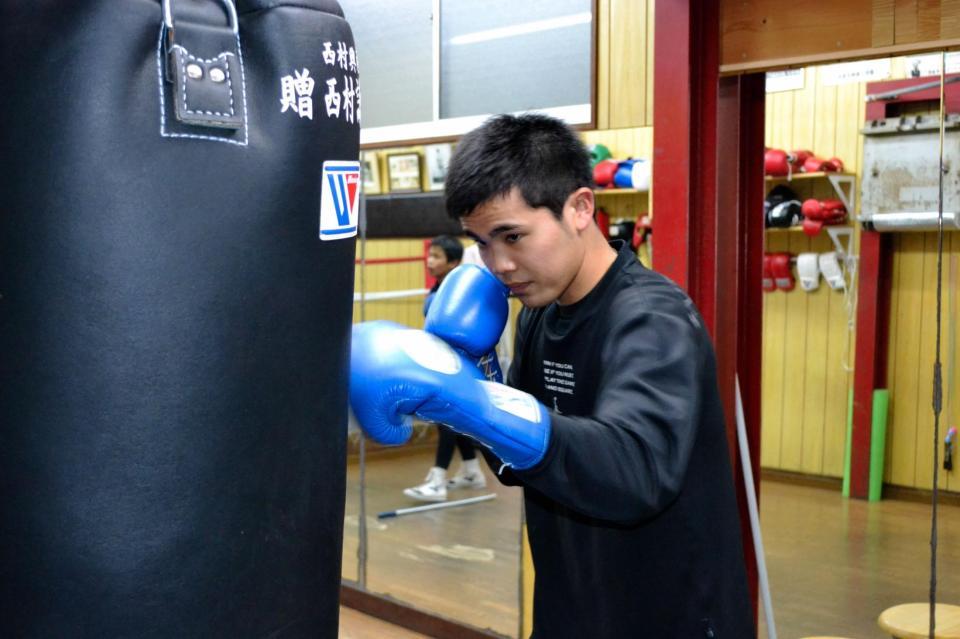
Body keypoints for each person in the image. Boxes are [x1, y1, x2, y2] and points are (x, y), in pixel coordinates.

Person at [350, 114, 753, 637]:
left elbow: (635, 471)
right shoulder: (541, 311)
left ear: (580, 208)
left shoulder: (653, 320)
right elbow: (516, 463)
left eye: (512, 236)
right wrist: (477, 373)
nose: (498, 263)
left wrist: (467, 398)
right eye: (482, 243)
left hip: (669, 612)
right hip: (574, 604)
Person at [403, 235, 488, 502]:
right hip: (440, 362)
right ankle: (473, 471)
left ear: (452, 263)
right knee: (452, 420)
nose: (429, 261)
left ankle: (438, 479)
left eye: (436, 256)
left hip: (456, 366)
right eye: (429, 255)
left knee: (447, 419)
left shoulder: (457, 293)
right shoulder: (438, 288)